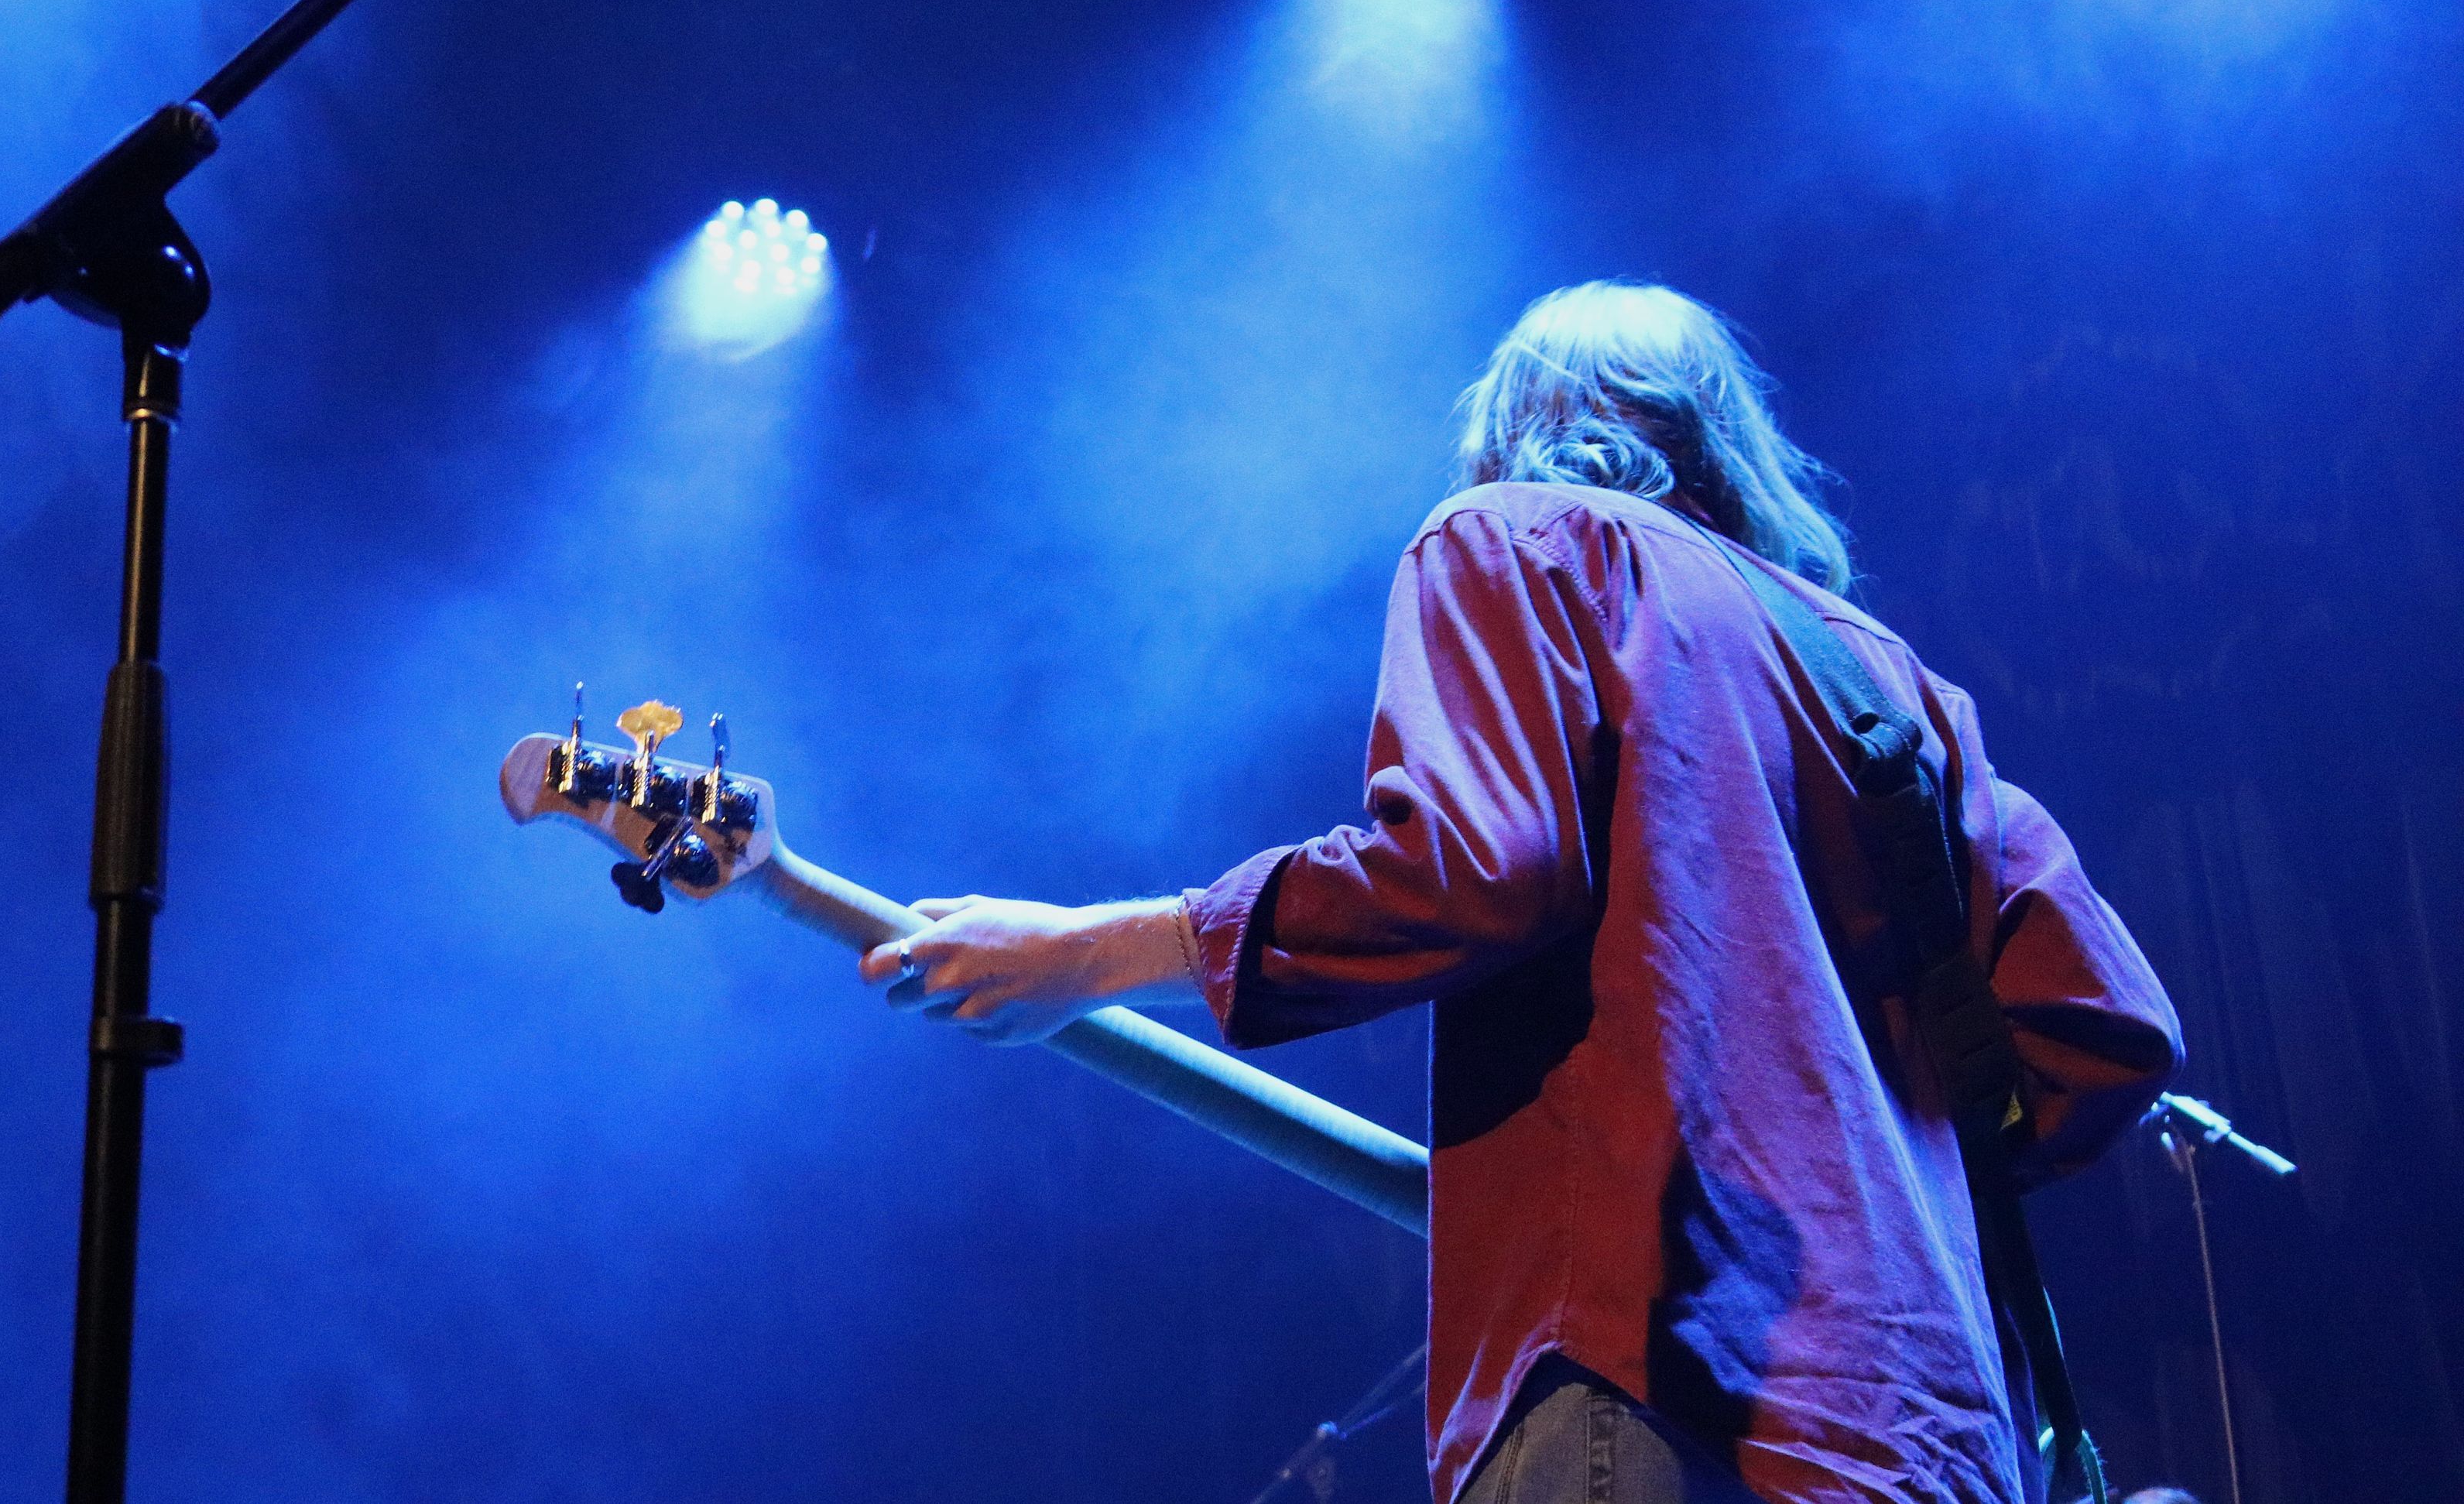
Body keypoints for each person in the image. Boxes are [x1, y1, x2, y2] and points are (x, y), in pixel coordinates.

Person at [858, 281, 2182, 1504]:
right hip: (1933, 1439)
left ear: (1520, 424)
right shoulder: (1895, 684)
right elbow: (2105, 1029)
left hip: (1664, 1381)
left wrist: (1090, 951)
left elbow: (1469, 867)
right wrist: (1871, 1185)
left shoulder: (1520, 541)